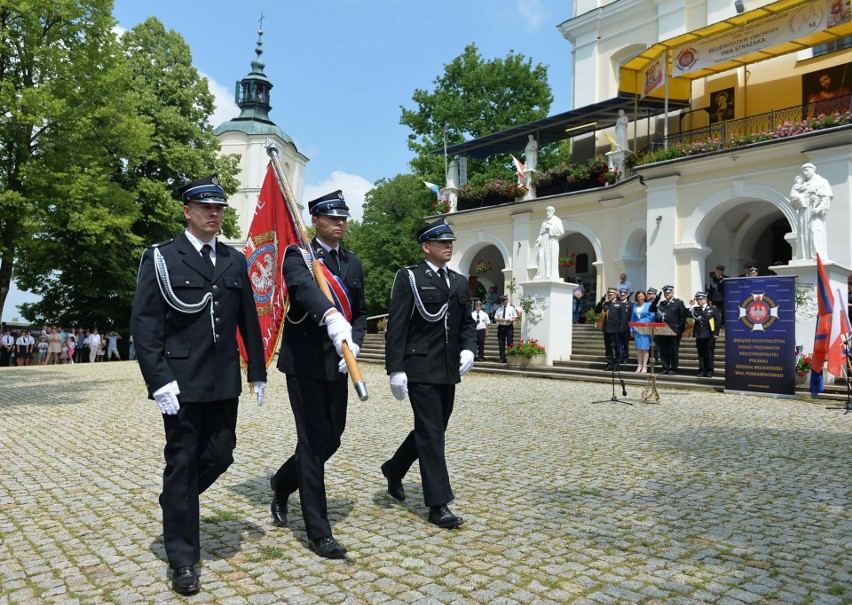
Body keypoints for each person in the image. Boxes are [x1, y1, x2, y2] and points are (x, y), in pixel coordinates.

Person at [130, 175, 266, 596]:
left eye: (219, 208)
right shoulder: (161, 257)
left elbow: (248, 320)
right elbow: (146, 324)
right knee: (184, 461)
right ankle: (183, 560)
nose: (214, 214)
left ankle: (176, 499)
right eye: (206, 207)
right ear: (187, 211)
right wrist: (158, 380)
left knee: (221, 454)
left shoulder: (233, 259)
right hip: (181, 381)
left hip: (223, 379)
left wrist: (257, 371)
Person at [269, 190, 365, 560]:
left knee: (331, 440)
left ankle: (282, 482)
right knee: (311, 442)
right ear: (316, 221)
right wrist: (330, 315)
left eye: (343, 217)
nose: (339, 223)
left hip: (340, 362)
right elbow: (303, 289)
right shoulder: (299, 256)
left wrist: (354, 342)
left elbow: (359, 311)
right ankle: (318, 531)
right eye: (332, 218)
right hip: (306, 362)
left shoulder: (352, 263)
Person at [382, 218, 476, 530]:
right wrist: (395, 369)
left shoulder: (460, 281)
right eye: (442, 242)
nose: (449, 246)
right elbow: (397, 325)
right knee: (432, 433)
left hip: (448, 368)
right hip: (419, 367)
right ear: (426, 247)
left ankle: (394, 469)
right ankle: (438, 504)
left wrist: (469, 348)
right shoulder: (409, 277)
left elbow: (467, 323)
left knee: (432, 429)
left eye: (451, 242)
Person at [797, 163, 833, 260]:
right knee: (803, 232)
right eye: (803, 171)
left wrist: (819, 208)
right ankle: (804, 256)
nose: (805, 173)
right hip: (803, 210)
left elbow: (826, 197)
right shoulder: (802, 184)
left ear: (813, 169)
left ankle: (817, 255)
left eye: (807, 170)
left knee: (815, 230)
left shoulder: (822, 181)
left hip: (814, 210)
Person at [595, 288, 629, 370]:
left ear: (615, 294)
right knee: (608, 348)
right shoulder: (606, 304)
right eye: (608, 295)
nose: (609, 296)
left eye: (611, 294)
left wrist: (621, 329)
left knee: (617, 348)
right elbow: (597, 311)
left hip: (616, 330)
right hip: (607, 329)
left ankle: (617, 364)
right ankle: (609, 364)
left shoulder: (620, 304)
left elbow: (623, 318)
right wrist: (601, 302)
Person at [655, 285, 687, 375]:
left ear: (672, 293)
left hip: (674, 331)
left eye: (668, 293)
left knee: (673, 350)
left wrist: (679, 330)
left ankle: (673, 368)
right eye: (665, 293)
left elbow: (683, 317)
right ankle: (665, 368)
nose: (666, 294)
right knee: (663, 350)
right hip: (662, 331)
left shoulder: (678, 303)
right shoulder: (662, 303)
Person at [690, 292, 720, 377]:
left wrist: (716, 333)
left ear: (705, 299)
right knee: (701, 354)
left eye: (700, 299)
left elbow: (717, 321)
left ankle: (710, 371)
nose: (699, 301)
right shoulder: (696, 309)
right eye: (697, 299)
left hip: (709, 334)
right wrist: (691, 305)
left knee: (709, 354)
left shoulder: (712, 308)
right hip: (699, 335)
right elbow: (688, 315)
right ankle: (702, 370)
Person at [534, 206, 565, 280]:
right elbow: (541, 233)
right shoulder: (544, 221)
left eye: (549, 211)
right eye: (547, 212)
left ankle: (551, 274)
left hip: (552, 241)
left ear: (553, 212)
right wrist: (539, 239)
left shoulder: (557, 220)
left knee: (551, 257)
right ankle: (541, 274)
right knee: (541, 256)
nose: (548, 213)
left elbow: (561, 231)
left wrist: (550, 228)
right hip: (544, 241)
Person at [630, 290, 653, 373]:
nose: (640, 298)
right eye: (639, 296)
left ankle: (644, 366)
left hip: (646, 329)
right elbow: (632, 318)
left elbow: (652, 317)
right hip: (637, 329)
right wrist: (631, 329)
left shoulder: (649, 305)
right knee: (639, 348)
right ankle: (639, 365)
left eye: (642, 296)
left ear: (645, 297)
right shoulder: (635, 305)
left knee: (645, 348)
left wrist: (650, 327)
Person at [493, 295, 518, 363]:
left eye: (505, 301)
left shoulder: (511, 308)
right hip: (501, 327)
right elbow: (495, 318)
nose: (504, 302)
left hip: (509, 326)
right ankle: (502, 358)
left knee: (510, 342)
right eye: (502, 301)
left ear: (507, 300)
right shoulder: (499, 309)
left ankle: (511, 357)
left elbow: (515, 317)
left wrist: (510, 320)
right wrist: (500, 319)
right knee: (501, 343)